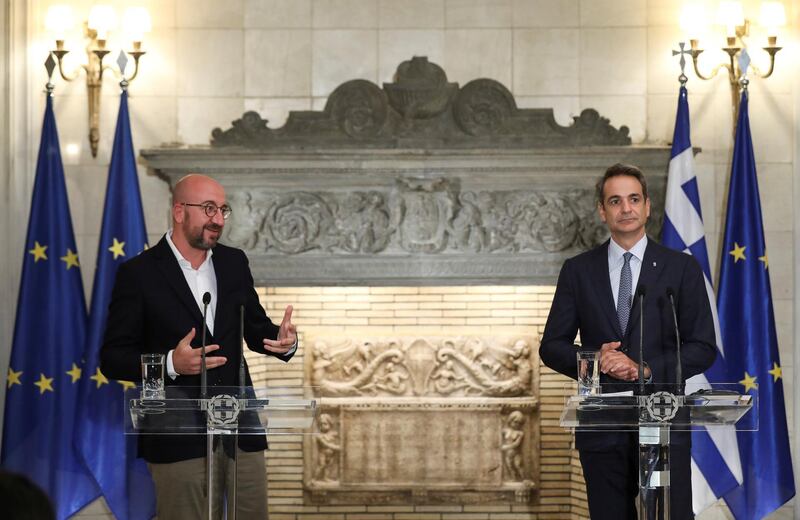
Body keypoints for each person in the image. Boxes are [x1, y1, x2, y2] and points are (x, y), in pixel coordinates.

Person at [101, 174, 298, 520]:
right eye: (209, 209)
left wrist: (283, 342)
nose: (219, 219)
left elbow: (254, 328)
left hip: (239, 426)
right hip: (176, 431)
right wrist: (171, 363)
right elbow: (113, 358)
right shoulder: (139, 273)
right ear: (179, 211)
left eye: (223, 209)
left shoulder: (233, 262)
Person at [539, 163, 717, 519]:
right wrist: (594, 359)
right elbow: (552, 346)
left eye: (634, 199)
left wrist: (647, 369)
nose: (626, 208)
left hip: (663, 421)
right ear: (602, 211)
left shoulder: (681, 268)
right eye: (615, 201)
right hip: (603, 428)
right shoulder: (578, 270)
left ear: (648, 206)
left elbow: (703, 346)